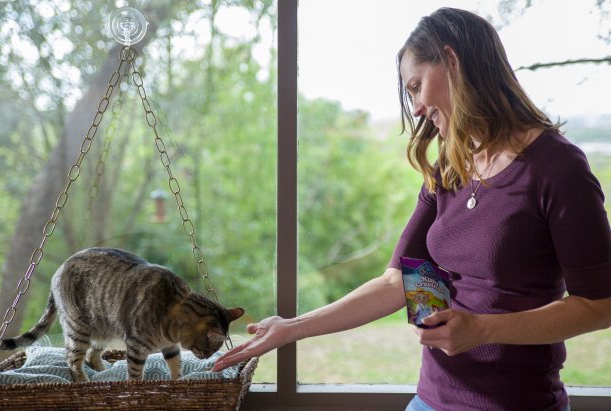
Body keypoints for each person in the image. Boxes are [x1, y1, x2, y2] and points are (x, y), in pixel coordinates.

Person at [213, 7, 611, 410]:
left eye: (416, 86)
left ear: (452, 62)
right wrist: (290, 329)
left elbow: (599, 306)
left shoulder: (558, 169)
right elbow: (396, 283)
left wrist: (484, 330)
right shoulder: (449, 167)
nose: (416, 108)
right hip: (430, 400)